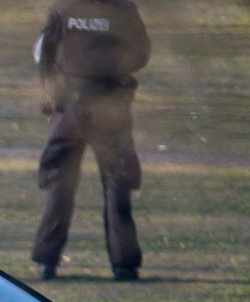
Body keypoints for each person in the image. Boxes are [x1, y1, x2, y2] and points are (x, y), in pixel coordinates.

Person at [30, 0, 151, 281]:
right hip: (111, 105)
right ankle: (125, 265)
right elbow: (142, 52)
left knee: (60, 181)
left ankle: (46, 262)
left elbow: (44, 54)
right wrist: (113, 70)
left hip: (69, 104)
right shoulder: (123, 9)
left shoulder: (63, 8)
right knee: (117, 181)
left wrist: (51, 92)